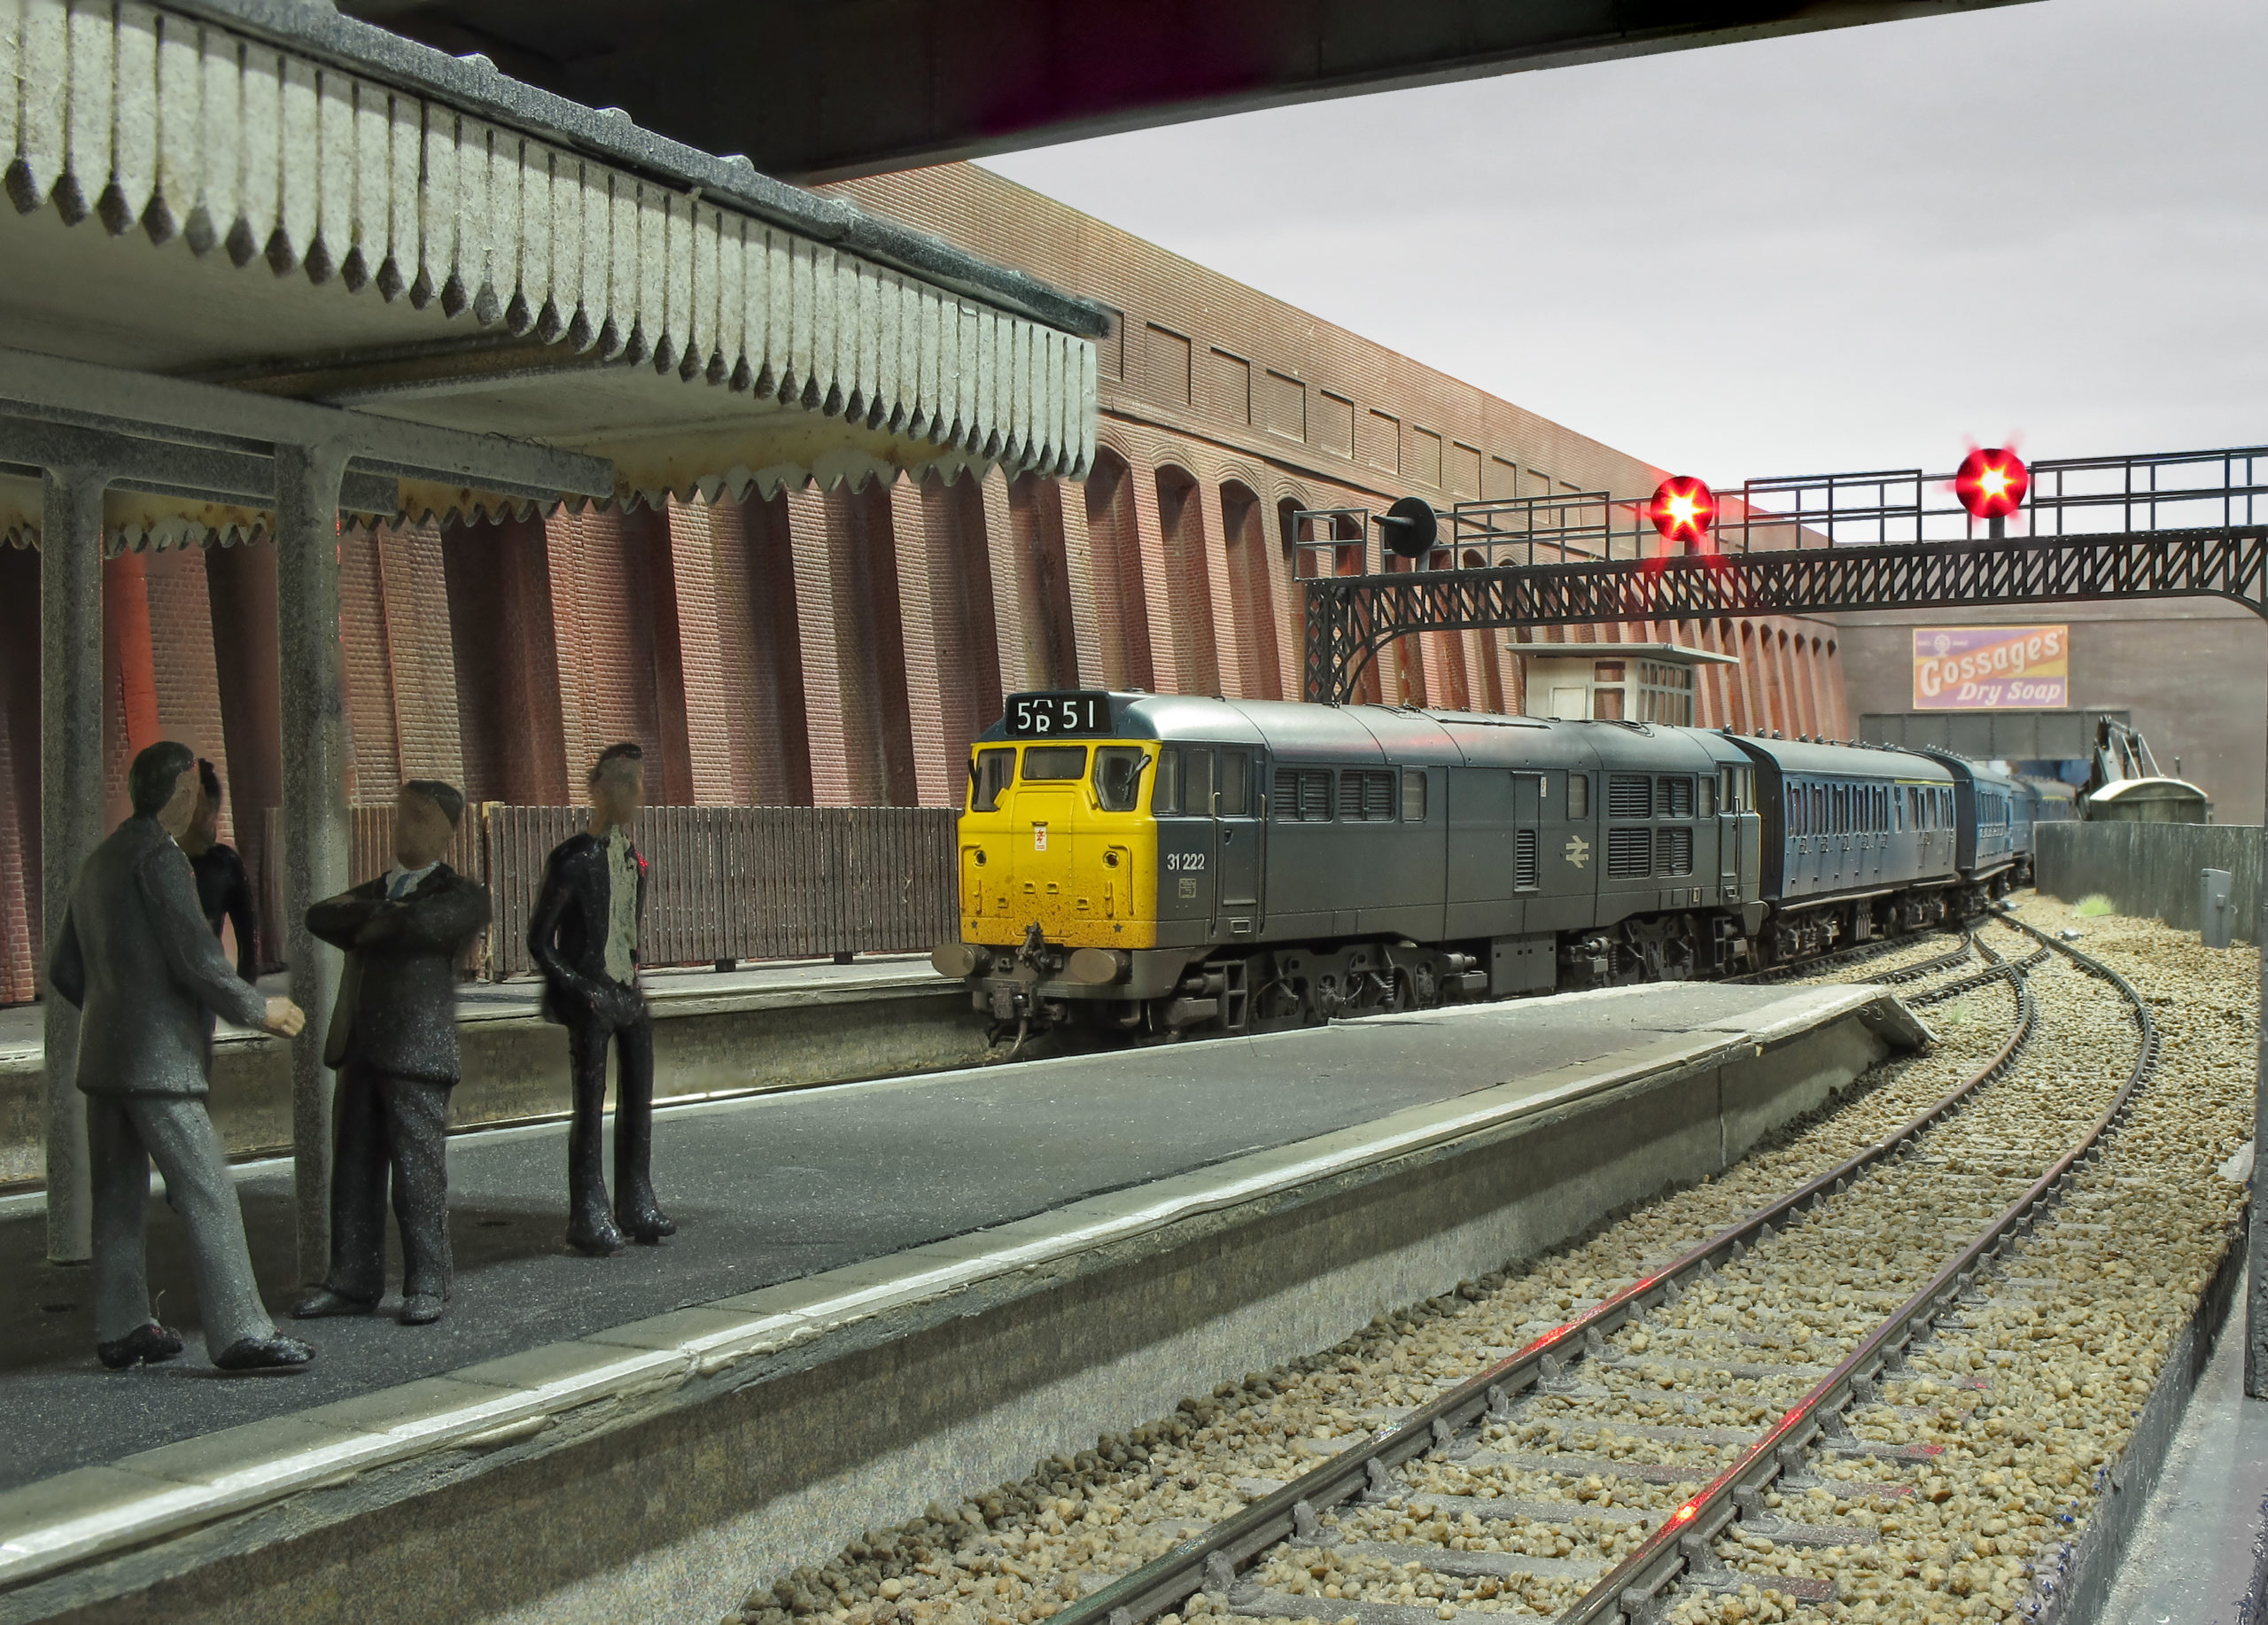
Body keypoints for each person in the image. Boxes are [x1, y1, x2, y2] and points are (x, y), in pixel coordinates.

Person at [46, 740, 315, 1372]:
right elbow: (198, 957)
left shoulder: (98, 862)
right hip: (159, 1063)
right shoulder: (161, 860)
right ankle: (241, 1330)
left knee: (117, 1198)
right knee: (206, 1190)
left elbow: (64, 969)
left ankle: (122, 1326)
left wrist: (116, 1010)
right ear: (183, 794)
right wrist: (259, 1009)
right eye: (195, 793)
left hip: (104, 1061)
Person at [293, 781, 490, 1326]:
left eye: (420, 818)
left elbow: (425, 926)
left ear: (447, 831)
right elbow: (320, 916)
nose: (406, 828)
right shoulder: (384, 889)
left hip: (416, 1051)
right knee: (354, 1170)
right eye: (403, 816)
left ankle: (428, 1280)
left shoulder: (462, 894)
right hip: (359, 1047)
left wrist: (376, 919)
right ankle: (352, 1280)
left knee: (417, 1174)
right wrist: (385, 916)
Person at [527, 742, 672, 1256]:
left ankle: (636, 1200)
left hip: (628, 995)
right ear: (600, 791)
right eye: (624, 783)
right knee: (589, 1109)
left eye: (638, 783)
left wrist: (632, 982)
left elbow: (627, 933)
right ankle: (588, 1212)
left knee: (639, 1102)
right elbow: (539, 941)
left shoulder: (636, 862)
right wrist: (581, 987)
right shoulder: (573, 860)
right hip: (592, 997)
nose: (635, 793)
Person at [183, 758, 258, 983]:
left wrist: (245, 991)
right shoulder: (156, 862)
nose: (208, 817)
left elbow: (248, 939)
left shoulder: (225, 864)